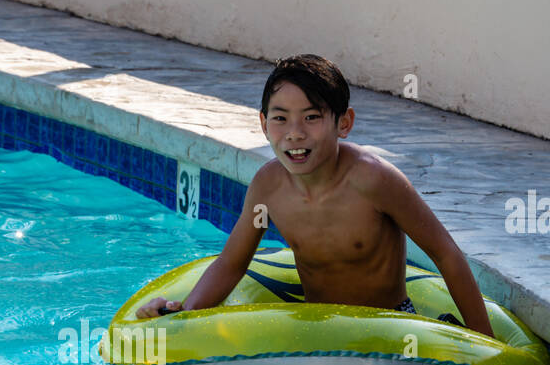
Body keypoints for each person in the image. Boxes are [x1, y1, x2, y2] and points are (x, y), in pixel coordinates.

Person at [135, 54, 494, 337]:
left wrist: (486, 345)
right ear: (263, 124)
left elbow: (445, 253)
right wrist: (186, 313)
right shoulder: (268, 188)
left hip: (389, 327)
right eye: (280, 119)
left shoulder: (374, 180)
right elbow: (232, 263)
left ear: (344, 122)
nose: (294, 133)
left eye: (311, 117)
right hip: (316, 329)